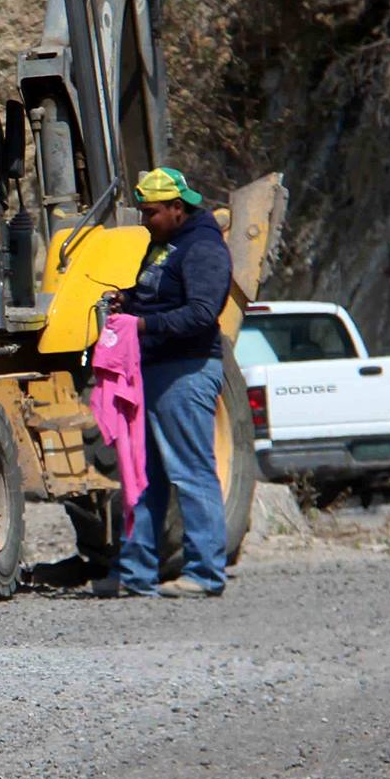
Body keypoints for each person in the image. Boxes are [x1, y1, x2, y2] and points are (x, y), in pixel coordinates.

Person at [95, 167, 235, 599]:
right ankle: (136, 574)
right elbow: (160, 295)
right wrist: (129, 299)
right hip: (151, 371)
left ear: (178, 208)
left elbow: (200, 314)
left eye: (151, 213)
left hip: (186, 371)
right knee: (143, 476)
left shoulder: (204, 249)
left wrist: (140, 325)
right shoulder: (164, 245)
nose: (144, 221)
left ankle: (206, 573)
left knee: (191, 473)